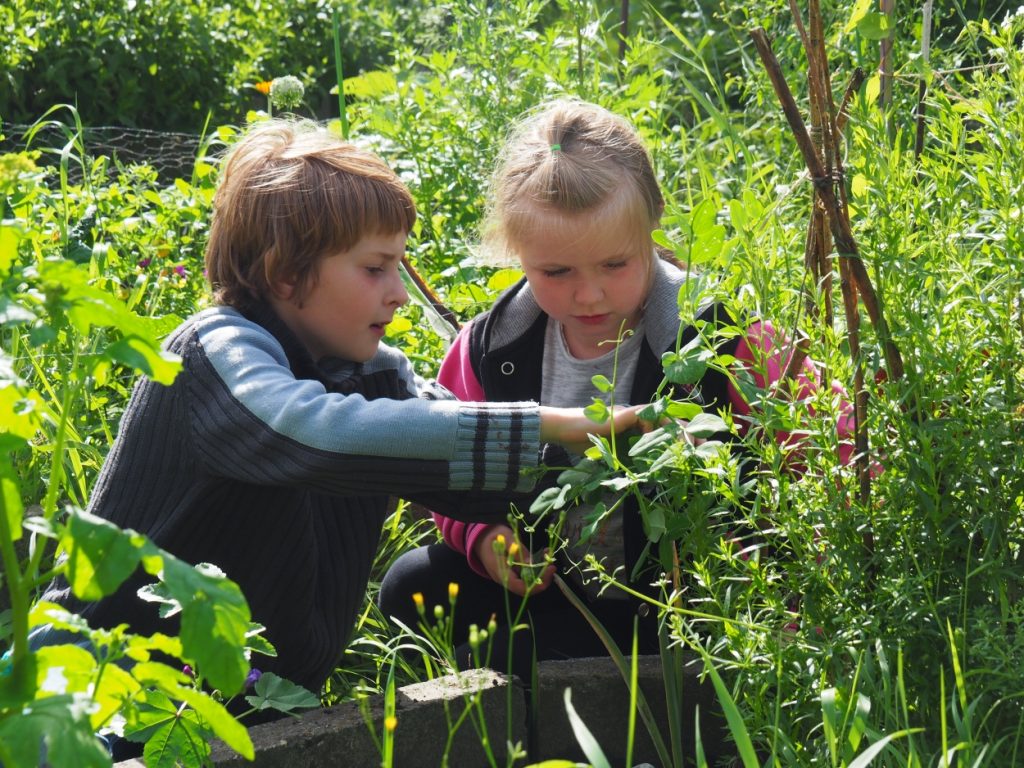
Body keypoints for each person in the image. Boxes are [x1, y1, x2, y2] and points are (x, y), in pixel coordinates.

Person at [31, 117, 641, 699]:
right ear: (285, 273)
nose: (399, 294)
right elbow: (309, 432)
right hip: (95, 683)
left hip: (258, 697)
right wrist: (549, 426)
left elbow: (452, 447)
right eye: (375, 268)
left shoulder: (371, 374)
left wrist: (615, 472)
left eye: (399, 268)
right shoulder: (212, 356)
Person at [378, 99, 827, 675]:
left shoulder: (728, 339)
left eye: (615, 265)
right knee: (414, 584)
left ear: (652, 229)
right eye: (557, 273)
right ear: (518, 255)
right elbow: (448, 466)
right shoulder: (491, 349)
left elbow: (821, 454)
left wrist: (791, 591)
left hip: (699, 608)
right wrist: (486, 539)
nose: (588, 296)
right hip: (557, 594)